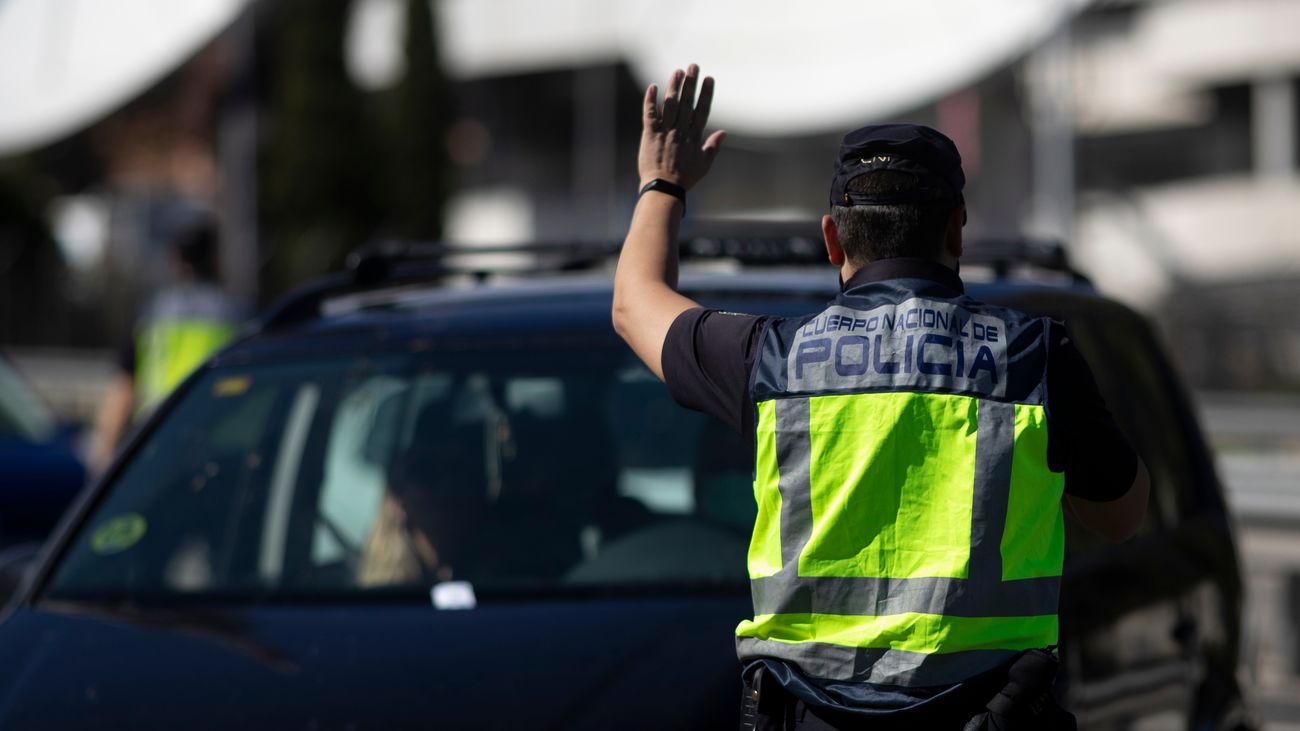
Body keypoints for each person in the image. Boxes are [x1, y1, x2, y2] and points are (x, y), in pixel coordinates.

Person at [611, 64, 1151, 730]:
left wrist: (661, 183)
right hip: (994, 713)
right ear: (957, 230)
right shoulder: (1034, 356)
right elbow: (1124, 514)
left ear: (833, 238)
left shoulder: (771, 359)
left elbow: (635, 307)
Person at [90, 220, 243, 473]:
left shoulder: (151, 315)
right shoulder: (238, 316)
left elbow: (123, 391)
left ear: (176, 260)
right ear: (216, 258)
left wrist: (104, 459)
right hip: (221, 449)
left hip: (159, 440)